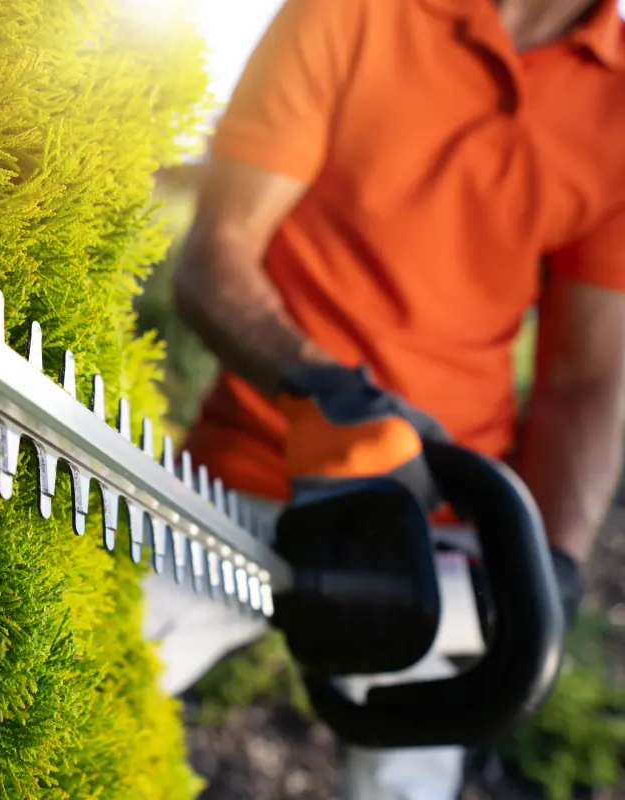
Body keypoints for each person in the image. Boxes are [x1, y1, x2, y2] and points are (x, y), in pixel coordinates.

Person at [171, 0, 625, 797]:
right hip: (250, 471)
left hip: (444, 519)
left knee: (409, 780)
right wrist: (339, 394)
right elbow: (215, 259)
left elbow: (586, 378)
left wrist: (554, 557)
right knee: (61, 675)